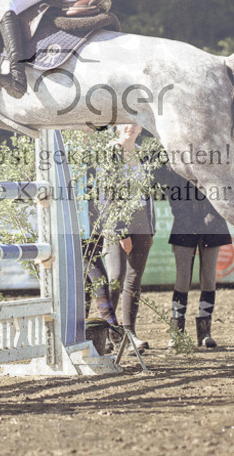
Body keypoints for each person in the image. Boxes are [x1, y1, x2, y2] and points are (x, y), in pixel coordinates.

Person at [90, 123, 155, 353]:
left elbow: (147, 194)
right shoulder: (109, 153)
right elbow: (105, 196)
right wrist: (120, 231)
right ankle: (109, 331)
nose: (131, 126)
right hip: (115, 221)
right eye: (125, 122)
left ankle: (129, 333)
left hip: (142, 222)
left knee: (134, 280)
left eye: (135, 123)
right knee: (116, 277)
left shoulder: (143, 154)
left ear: (141, 128)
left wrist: (151, 227)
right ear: (117, 127)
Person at [156, 164, 232, 349]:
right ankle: (177, 334)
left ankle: (205, 333)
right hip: (184, 223)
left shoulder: (212, 156)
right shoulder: (173, 159)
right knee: (182, 278)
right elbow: (165, 185)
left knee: (208, 277)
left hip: (212, 222)